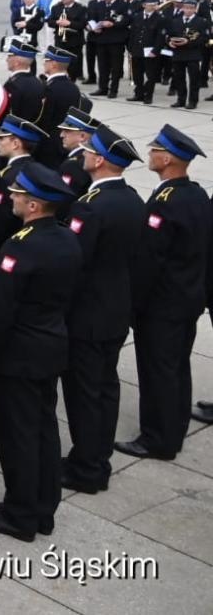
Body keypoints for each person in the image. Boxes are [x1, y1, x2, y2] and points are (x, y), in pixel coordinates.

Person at [0, 164, 79, 543]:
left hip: (16, 356)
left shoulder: (19, 247)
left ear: (33, 205)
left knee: (17, 435)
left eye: (18, 193)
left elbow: (1, 312)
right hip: (50, 346)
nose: (12, 197)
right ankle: (44, 508)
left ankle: (20, 513)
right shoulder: (67, 239)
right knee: (44, 430)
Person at [60, 125, 144, 495]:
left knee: (84, 394)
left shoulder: (90, 207)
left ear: (100, 160)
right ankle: (97, 458)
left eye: (89, 151)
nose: (84, 155)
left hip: (88, 315)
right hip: (116, 310)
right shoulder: (133, 199)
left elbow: (75, 262)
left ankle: (87, 466)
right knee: (106, 389)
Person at [117, 126, 209, 461]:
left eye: (155, 149)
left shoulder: (164, 203)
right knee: (176, 368)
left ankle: (158, 438)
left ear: (167, 158)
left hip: (162, 305)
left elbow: (148, 262)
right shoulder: (196, 194)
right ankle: (174, 428)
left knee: (159, 372)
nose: (150, 153)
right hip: (187, 299)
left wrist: (133, 305)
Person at [164, 0, 208, 108]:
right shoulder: (175, 21)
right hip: (178, 54)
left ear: (195, 9)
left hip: (193, 54)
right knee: (179, 78)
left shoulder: (201, 22)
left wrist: (187, 42)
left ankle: (193, 101)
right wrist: (169, 42)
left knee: (194, 79)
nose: (188, 10)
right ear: (182, 8)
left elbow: (204, 39)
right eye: (186, 8)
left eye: (191, 8)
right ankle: (181, 100)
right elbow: (169, 35)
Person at [89, 0, 130, 98]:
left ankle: (113, 89)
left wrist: (113, 24)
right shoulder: (100, 5)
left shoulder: (122, 4)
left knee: (115, 66)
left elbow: (127, 20)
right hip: (101, 39)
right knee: (102, 66)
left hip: (116, 40)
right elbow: (93, 18)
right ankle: (103, 87)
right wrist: (93, 27)